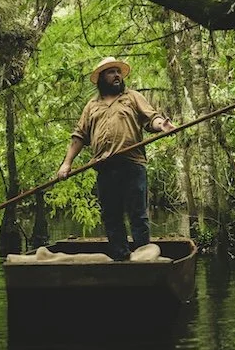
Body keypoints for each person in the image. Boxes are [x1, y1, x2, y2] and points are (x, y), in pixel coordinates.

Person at [56, 57, 176, 261]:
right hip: (105, 168)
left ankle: (144, 258)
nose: (117, 75)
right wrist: (66, 164)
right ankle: (121, 258)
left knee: (138, 214)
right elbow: (79, 136)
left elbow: (152, 118)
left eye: (118, 72)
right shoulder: (91, 106)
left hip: (132, 165)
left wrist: (161, 125)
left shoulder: (132, 97)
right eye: (111, 72)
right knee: (111, 217)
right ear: (101, 78)